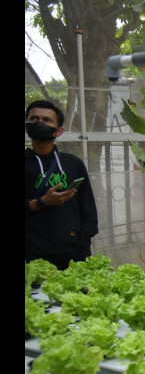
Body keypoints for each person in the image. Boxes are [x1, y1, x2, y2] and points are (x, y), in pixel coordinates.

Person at [25, 100, 98, 270]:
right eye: (34, 119)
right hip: (32, 255)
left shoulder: (72, 164)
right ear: (26, 127)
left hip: (72, 253)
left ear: (59, 131)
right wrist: (42, 202)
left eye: (47, 120)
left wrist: (83, 242)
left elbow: (87, 207)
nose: (40, 123)